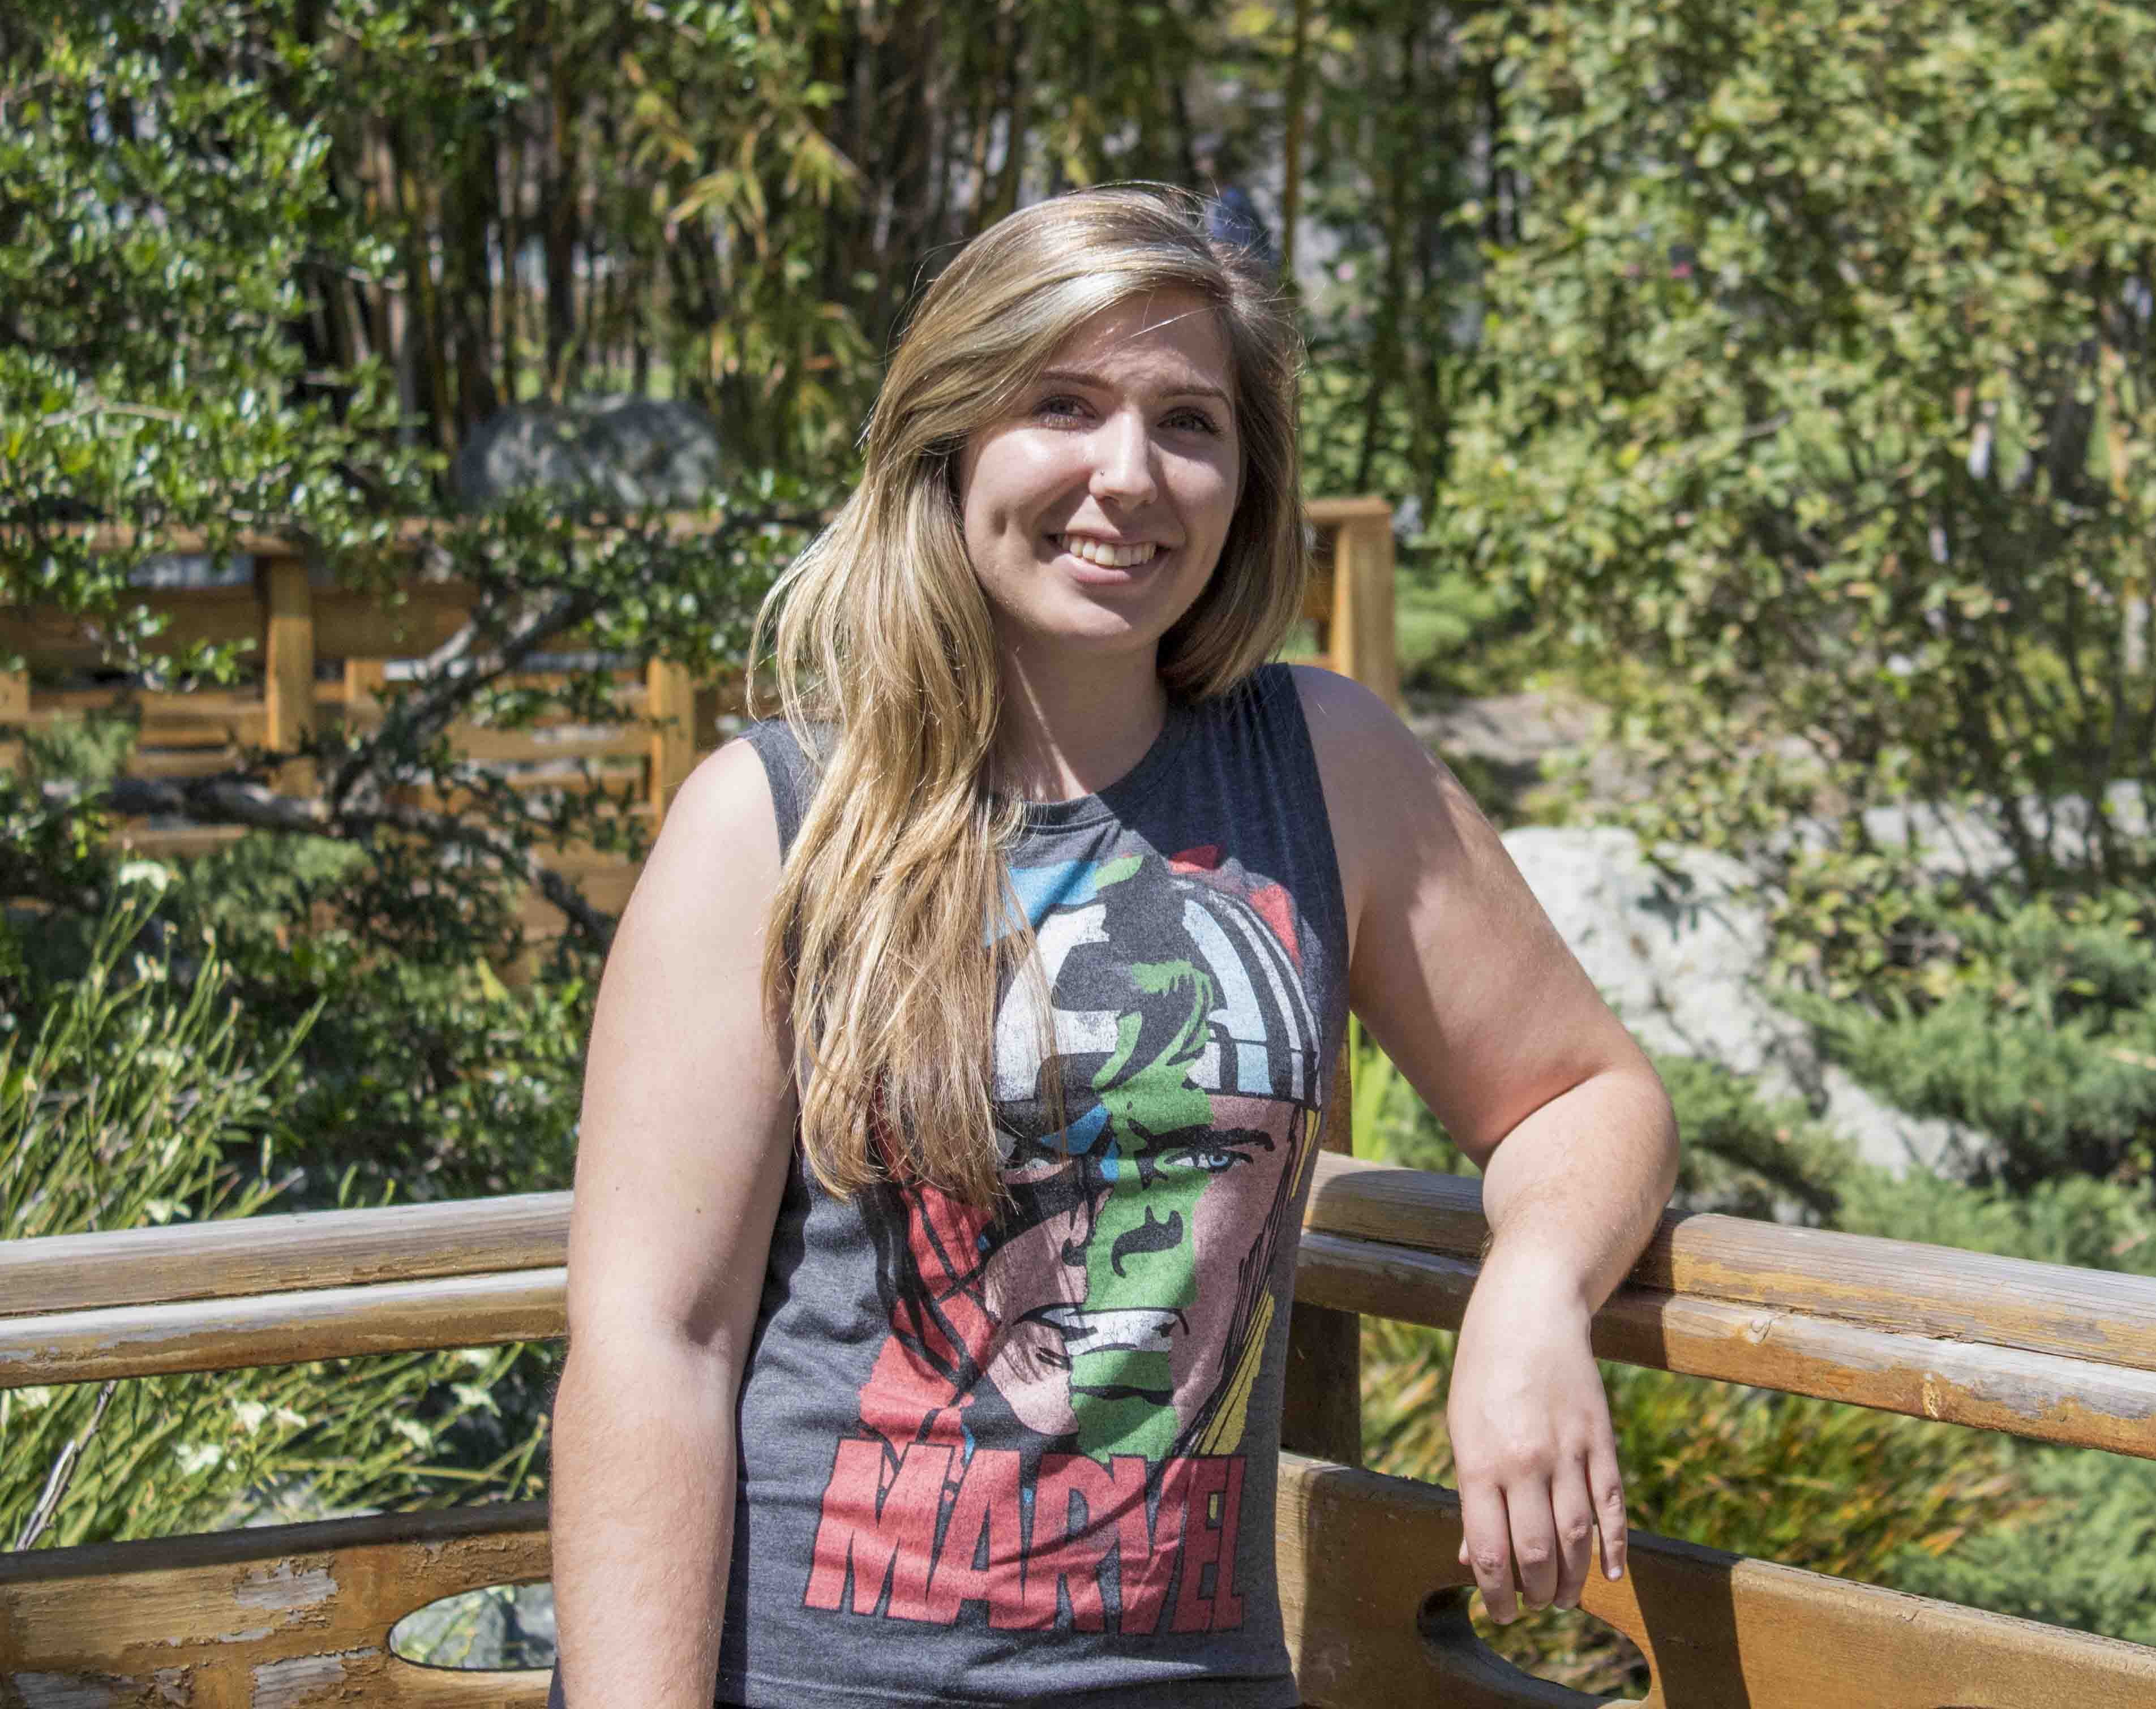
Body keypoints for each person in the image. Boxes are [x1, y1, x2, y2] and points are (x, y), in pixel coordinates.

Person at [548, 184, 1681, 1707]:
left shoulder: (1320, 766)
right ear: (952, 441)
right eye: (1062, 406)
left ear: (1246, 475)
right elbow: (655, 1342)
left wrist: (1533, 1297)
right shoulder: (774, 820)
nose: (1127, 476)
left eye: (1190, 423)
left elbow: (1578, 1094)